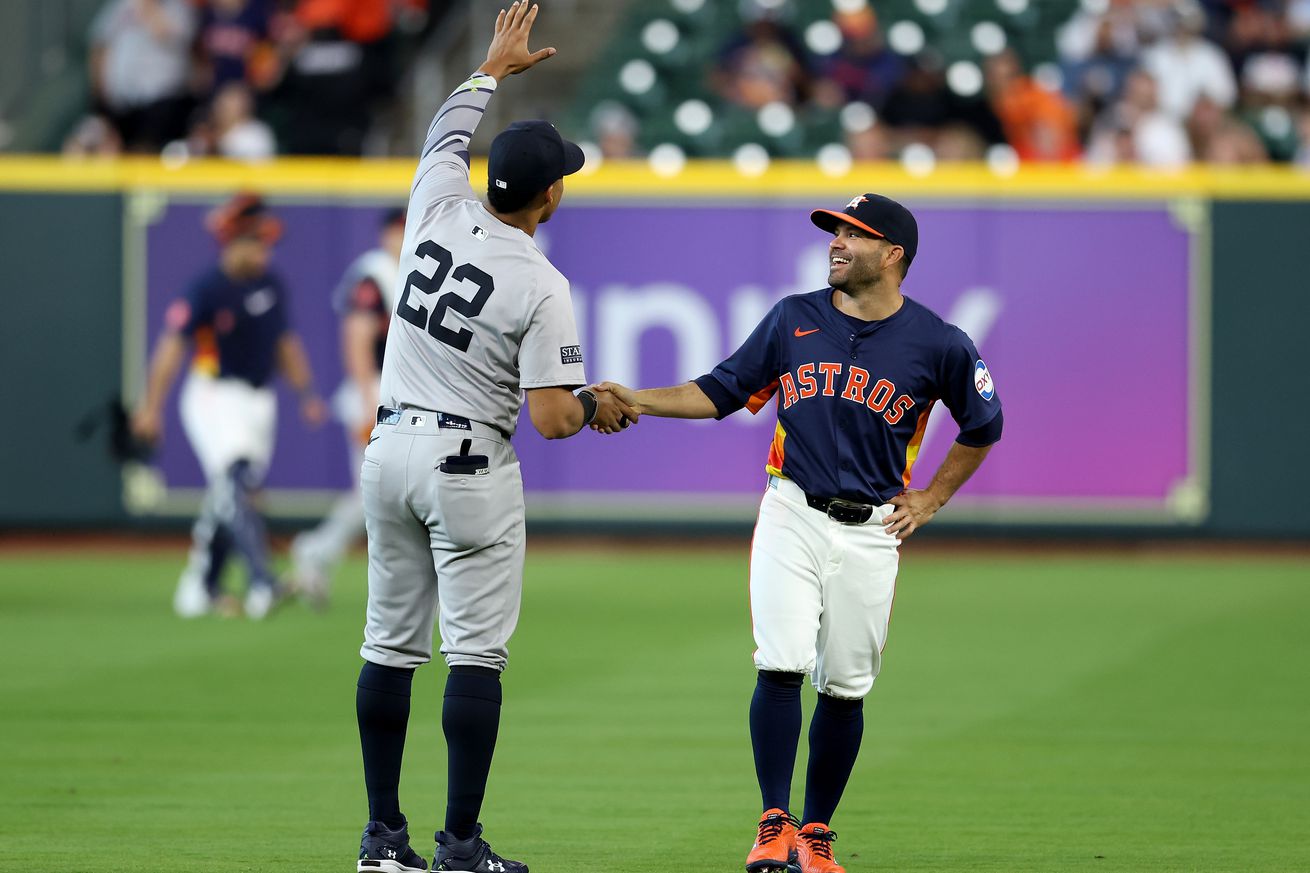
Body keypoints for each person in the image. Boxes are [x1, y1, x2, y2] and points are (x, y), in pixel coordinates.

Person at [592, 194, 1003, 873]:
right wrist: (638, 397)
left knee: (845, 686)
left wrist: (931, 497)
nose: (838, 242)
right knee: (780, 661)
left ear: (893, 254)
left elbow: (984, 424)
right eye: (835, 231)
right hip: (792, 508)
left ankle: (816, 833)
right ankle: (773, 823)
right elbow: (722, 390)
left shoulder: (939, 341)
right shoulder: (794, 317)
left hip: (872, 528)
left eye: (855, 233)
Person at [351, 5, 634, 873]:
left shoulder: (435, 203)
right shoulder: (542, 282)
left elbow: (442, 133)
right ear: (549, 195)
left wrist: (487, 70)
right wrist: (599, 407)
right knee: (473, 654)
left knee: (387, 647)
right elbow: (551, 417)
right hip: (467, 465)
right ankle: (460, 846)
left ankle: (381, 841)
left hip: (387, 447)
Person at [131, 193, 325, 620]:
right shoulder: (206, 288)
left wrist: (306, 393)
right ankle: (263, 581)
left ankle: (201, 587)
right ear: (231, 242)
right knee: (235, 480)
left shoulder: (271, 284)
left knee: (231, 493)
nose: (262, 251)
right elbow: (170, 348)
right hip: (213, 395)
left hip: (259, 400)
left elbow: (285, 344)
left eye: (265, 243)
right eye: (254, 242)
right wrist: (151, 407)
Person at [290, 208, 405, 606]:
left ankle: (316, 552)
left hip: (400, 394)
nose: (402, 237)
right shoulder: (374, 275)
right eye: (397, 230)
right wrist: (365, 402)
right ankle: (316, 551)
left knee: (384, 493)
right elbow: (356, 338)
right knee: (374, 493)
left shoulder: (416, 270)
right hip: (374, 394)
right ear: (386, 234)